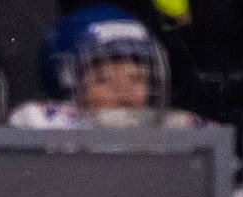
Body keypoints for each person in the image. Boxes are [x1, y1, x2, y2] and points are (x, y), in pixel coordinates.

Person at [10, 6, 201, 130]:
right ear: (68, 83)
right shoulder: (42, 125)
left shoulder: (182, 133)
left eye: (137, 78)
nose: (125, 90)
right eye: (104, 79)